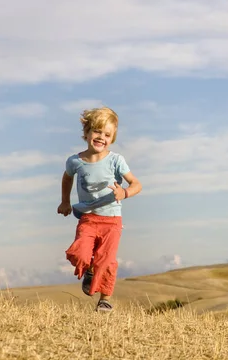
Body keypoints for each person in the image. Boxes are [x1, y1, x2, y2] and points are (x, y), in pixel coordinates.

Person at [57, 106, 142, 312]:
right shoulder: (75, 161)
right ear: (86, 133)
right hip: (87, 218)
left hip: (112, 220)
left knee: (107, 260)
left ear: (112, 138)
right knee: (80, 254)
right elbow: (67, 177)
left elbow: (136, 184)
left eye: (107, 134)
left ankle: (105, 299)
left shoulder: (116, 160)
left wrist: (124, 193)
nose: (101, 137)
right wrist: (65, 201)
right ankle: (88, 270)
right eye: (96, 131)